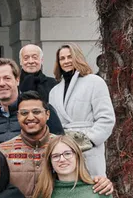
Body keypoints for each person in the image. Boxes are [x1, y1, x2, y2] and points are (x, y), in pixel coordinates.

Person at [48, 43, 115, 177]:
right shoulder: (54, 91)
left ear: (77, 57)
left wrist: (89, 140)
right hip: (64, 148)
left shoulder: (95, 82)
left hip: (88, 147)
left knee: (92, 187)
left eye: (69, 57)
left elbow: (106, 118)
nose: (66, 61)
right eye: (62, 58)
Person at [0, 59, 64, 149]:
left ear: (17, 80)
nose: (2, 83)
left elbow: (60, 147)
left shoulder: (42, 110)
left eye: (7, 78)